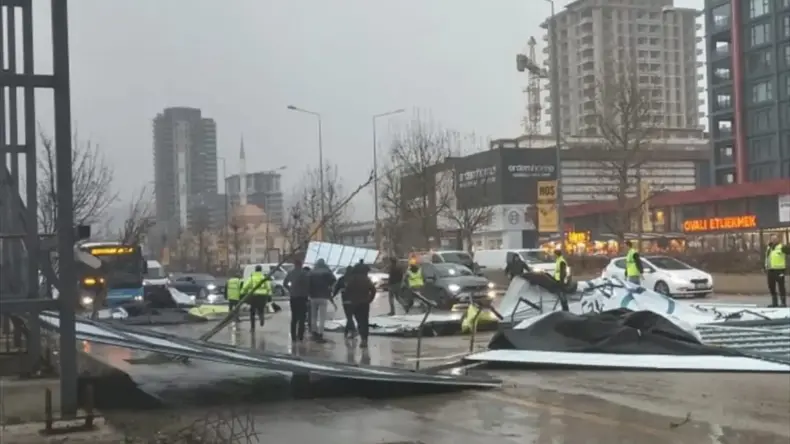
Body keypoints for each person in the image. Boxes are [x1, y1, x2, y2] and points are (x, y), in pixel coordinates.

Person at [343, 262, 377, 349]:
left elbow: (347, 290)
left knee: (359, 321)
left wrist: (350, 299)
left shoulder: (352, 279)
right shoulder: (366, 279)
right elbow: (373, 290)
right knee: (365, 321)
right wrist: (370, 299)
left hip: (354, 303)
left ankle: (362, 337)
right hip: (365, 303)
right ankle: (364, 339)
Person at [308, 258, 336, 342]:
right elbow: (334, 282)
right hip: (323, 296)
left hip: (313, 297)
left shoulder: (312, 272)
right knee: (322, 317)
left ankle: (314, 333)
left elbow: (308, 283)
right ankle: (320, 334)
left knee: (313, 316)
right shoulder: (327, 272)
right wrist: (330, 289)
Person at [284, 259, 310, 341]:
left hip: (293, 297)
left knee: (294, 317)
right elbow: (309, 284)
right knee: (302, 317)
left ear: (295, 264)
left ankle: (293, 337)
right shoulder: (305, 274)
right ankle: (300, 336)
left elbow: (285, 283)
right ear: (301, 264)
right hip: (303, 297)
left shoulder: (290, 273)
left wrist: (290, 289)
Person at [241, 265, 272, 331]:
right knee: (261, 309)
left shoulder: (252, 278)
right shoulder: (263, 277)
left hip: (254, 296)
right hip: (262, 296)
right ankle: (261, 318)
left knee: (252, 312)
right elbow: (268, 287)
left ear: (255, 270)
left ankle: (252, 327)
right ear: (261, 270)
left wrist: (242, 293)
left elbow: (245, 286)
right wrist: (269, 295)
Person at [765, 234, 790, 307]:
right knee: (771, 286)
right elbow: (767, 258)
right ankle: (774, 302)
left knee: (781, 286)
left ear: (778, 239)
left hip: (779, 270)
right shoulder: (769, 247)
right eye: (772, 238)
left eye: (775, 238)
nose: (773, 240)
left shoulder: (782, 247)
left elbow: (788, 252)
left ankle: (783, 302)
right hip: (770, 270)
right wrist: (765, 267)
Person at [332, 267, 357, 338]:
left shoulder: (342, 279)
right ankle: (348, 331)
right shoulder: (355, 279)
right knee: (350, 317)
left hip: (345, 300)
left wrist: (333, 296)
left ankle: (352, 331)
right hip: (354, 300)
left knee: (349, 316)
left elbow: (336, 288)